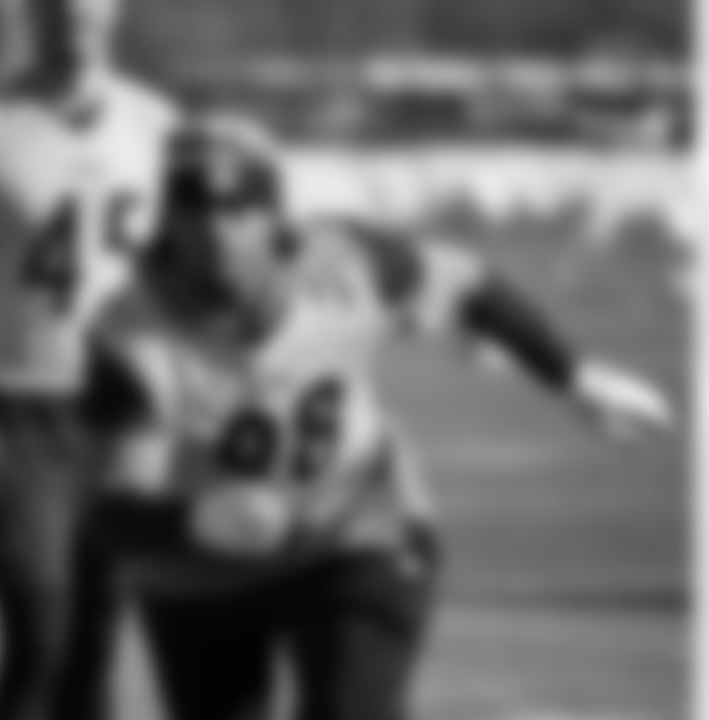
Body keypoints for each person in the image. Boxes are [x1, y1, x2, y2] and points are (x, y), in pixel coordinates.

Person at [80, 115, 673, 720]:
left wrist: (570, 374)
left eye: (239, 208)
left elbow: (475, 285)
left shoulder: (350, 265)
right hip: (199, 575)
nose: (215, 231)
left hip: (357, 525)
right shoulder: (129, 335)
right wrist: (196, 523)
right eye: (192, 207)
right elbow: (107, 510)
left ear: (276, 216)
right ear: (167, 220)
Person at [0, 1, 180, 719]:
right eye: (56, 10)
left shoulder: (162, 128)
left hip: (129, 414)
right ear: (30, 14)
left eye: (88, 10)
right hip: (19, 415)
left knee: (94, 645)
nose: (73, 23)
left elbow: (189, 282)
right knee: (39, 636)